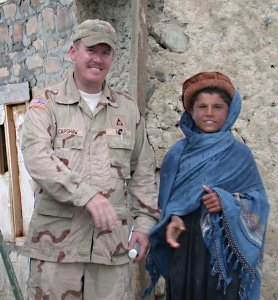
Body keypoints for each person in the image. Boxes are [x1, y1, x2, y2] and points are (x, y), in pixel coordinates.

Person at [21, 19, 159, 300]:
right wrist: (88, 196)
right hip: (57, 251)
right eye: (91, 50)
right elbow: (37, 159)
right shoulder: (46, 104)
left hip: (111, 249)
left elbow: (143, 172)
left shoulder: (128, 110)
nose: (98, 59)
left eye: (105, 52)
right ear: (74, 53)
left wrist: (144, 226)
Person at [144, 72, 270, 300]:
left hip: (223, 254)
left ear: (229, 111)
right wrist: (172, 217)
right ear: (191, 111)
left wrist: (227, 202)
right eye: (202, 106)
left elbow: (259, 203)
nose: (209, 113)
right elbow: (167, 202)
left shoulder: (240, 155)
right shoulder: (177, 154)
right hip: (183, 247)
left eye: (217, 107)